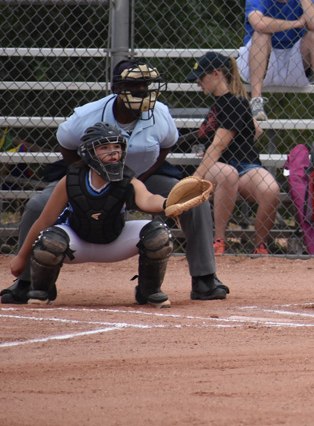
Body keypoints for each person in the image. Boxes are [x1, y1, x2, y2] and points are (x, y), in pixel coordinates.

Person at [1, 60, 229, 304]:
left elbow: (167, 145)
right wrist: (81, 178)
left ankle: (204, 279)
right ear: (118, 89)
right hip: (93, 177)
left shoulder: (159, 113)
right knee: (38, 207)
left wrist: (143, 181)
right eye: (136, 85)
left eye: (148, 84)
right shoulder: (89, 114)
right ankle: (26, 282)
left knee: (195, 204)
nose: (145, 90)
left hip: (141, 177)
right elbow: (66, 143)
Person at [10, 123, 174, 307]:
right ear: (89, 153)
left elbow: (148, 200)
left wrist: (167, 203)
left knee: (158, 235)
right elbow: (45, 220)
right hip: (76, 243)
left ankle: (149, 290)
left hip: (116, 240)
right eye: (104, 147)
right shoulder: (71, 179)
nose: (113, 152)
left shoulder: (128, 179)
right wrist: (22, 257)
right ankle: (42, 290)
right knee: (49, 241)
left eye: (117, 147)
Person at [187, 51, 280, 256]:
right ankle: (219, 240)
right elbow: (254, 130)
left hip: (245, 165)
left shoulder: (235, 102)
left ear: (217, 74)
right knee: (228, 174)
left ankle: (260, 246)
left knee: (270, 190)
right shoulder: (222, 104)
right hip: (219, 167)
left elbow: (221, 145)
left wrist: (195, 178)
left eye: (201, 77)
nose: (198, 83)